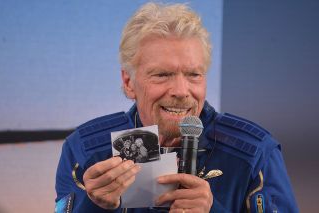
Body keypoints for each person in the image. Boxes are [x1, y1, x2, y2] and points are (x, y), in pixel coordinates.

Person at [55, 2, 298, 213]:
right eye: (162, 75)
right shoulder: (84, 150)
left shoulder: (257, 152)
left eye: (193, 74)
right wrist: (94, 205)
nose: (181, 91)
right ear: (129, 83)